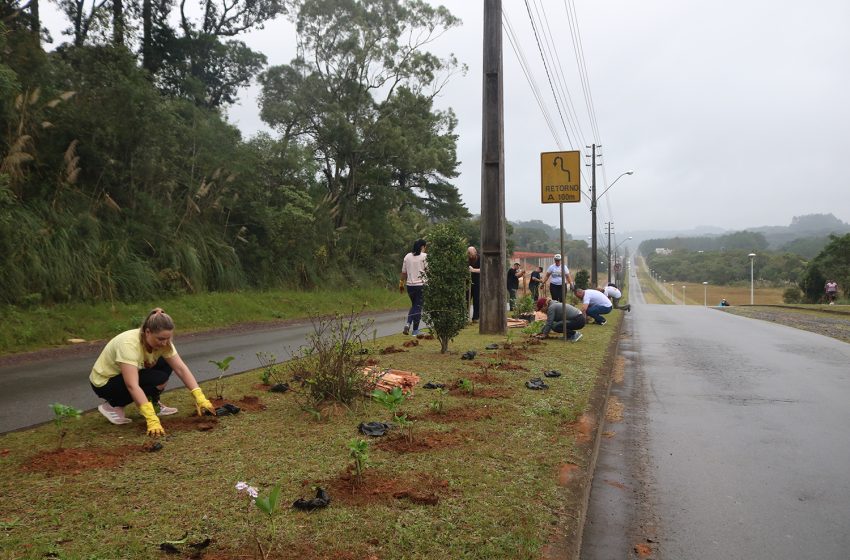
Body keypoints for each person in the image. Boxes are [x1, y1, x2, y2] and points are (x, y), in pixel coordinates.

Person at [89, 308, 217, 436]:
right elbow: (132, 385)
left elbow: (181, 369)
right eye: (160, 339)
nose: (165, 343)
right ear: (147, 332)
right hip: (105, 383)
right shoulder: (129, 344)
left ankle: (153, 404)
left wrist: (200, 397)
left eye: (168, 338)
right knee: (157, 379)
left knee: (166, 362)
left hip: (127, 373)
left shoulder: (164, 343)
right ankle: (113, 405)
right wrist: (151, 419)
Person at [400, 239, 427, 335]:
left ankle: (408, 325)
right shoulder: (424, 256)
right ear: (422, 247)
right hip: (421, 286)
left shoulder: (407, 256)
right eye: (425, 246)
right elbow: (429, 271)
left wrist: (401, 284)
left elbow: (403, 272)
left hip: (409, 286)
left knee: (414, 305)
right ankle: (414, 330)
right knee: (418, 307)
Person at [467, 246, 481, 322]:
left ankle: (476, 317)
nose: (470, 256)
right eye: (469, 254)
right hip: (467, 282)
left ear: (475, 252)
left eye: (471, 254)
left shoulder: (480, 258)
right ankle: (465, 317)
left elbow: (483, 269)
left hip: (477, 281)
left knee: (477, 299)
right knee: (466, 299)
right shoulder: (466, 259)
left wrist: (473, 270)